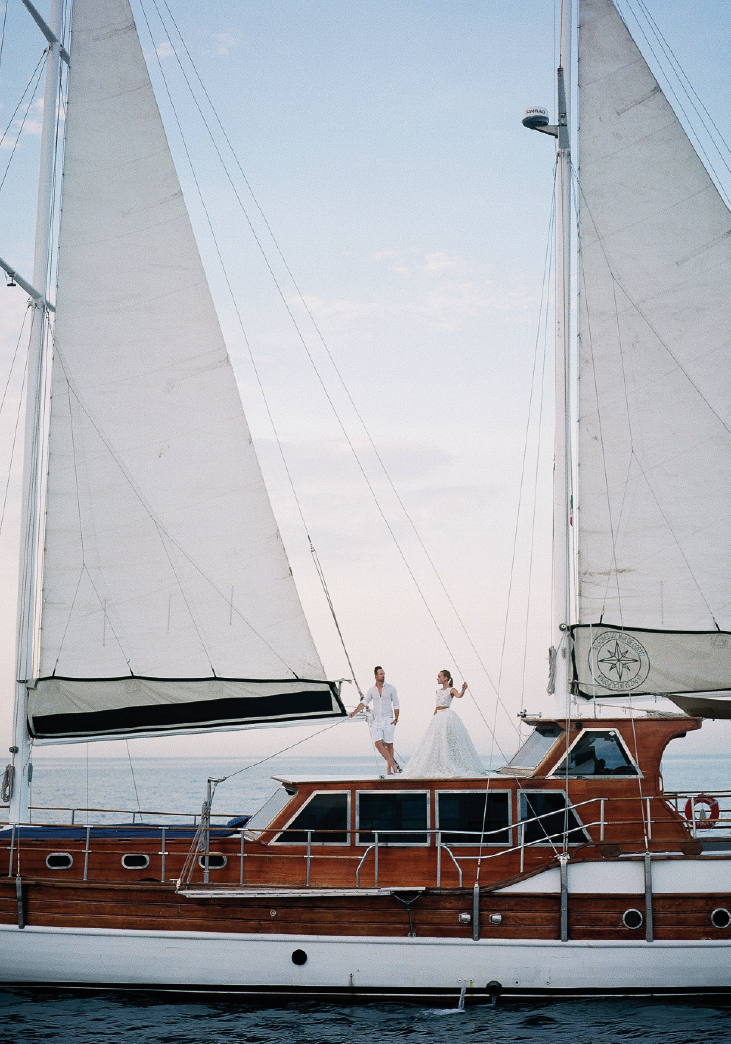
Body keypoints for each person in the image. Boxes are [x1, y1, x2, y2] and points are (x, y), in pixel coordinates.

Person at [401, 669, 485, 778]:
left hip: (447, 715)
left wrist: (463, 690)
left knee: (447, 740)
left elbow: (459, 695)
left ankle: (451, 762)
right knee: (436, 742)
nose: (438, 678)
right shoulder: (438, 691)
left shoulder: (451, 689)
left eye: (439, 676)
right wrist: (434, 717)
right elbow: (436, 706)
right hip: (438, 716)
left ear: (445, 678)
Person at [350, 666, 400, 775]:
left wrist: (396, 719)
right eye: (381, 674)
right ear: (376, 676)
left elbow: (396, 703)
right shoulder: (372, 690)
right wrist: (355, 712)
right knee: (378, 744)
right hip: (376, 721)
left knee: (389, 745)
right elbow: (364, 702)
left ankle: (389, 770)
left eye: (384, 674)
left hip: (388, 720)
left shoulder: (391, 688)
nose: (383, 676)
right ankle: (393, 763)